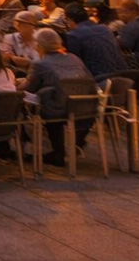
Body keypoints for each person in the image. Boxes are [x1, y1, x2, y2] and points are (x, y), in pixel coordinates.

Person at [20, 28, 92, 168]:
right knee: (54, 100)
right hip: (83, 108)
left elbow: (28, 88)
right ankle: (71, 146)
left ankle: (54, 151)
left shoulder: (40, 64)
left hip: (56, 110)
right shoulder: (74, 58)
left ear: (39, 45)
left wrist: (12, 85)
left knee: (34, 103)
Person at [63, 1, 125, 77]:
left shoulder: (73, 35)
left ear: (70, 20)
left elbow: (75, 62)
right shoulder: (104, 28)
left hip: (101, 79)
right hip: (123, 75)